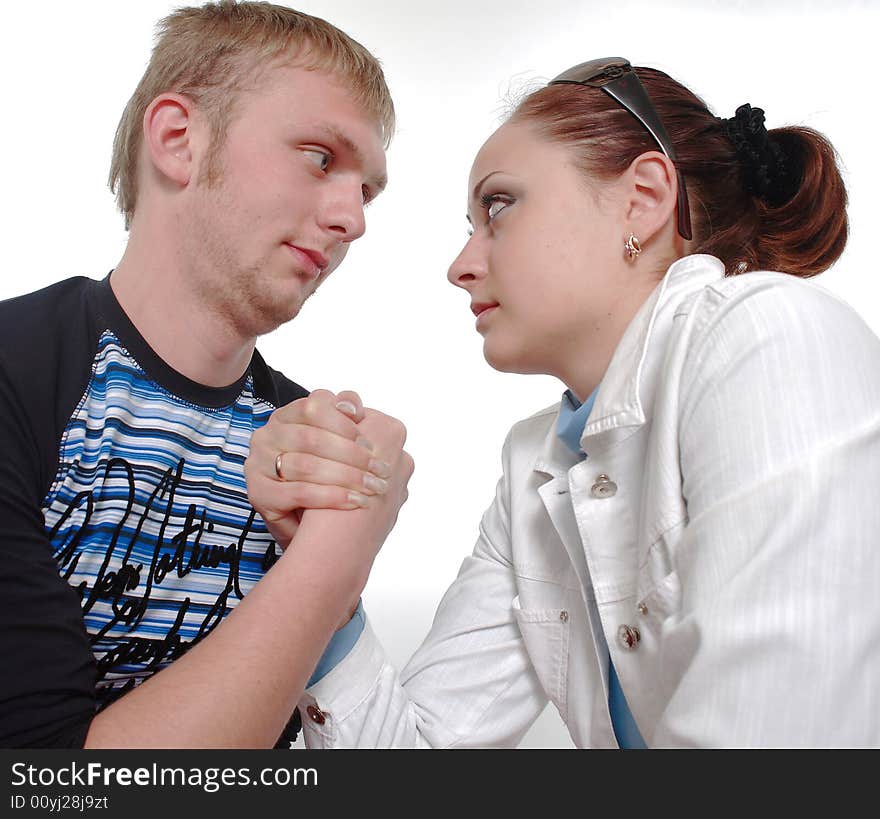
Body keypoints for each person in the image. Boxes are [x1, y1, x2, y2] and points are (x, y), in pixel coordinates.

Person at [258, 58, 880, 747]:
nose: (460, 263)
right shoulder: (536, 465)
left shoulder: (770, 336)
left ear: (643, 199)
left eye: (497, 207)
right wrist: (330, 573)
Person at [0, 0, 413, 749]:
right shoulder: (15, 372)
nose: (354, 218)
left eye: (368, 190)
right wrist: (336, 550)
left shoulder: (307, 439)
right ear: (178, 140)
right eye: (323, 157)